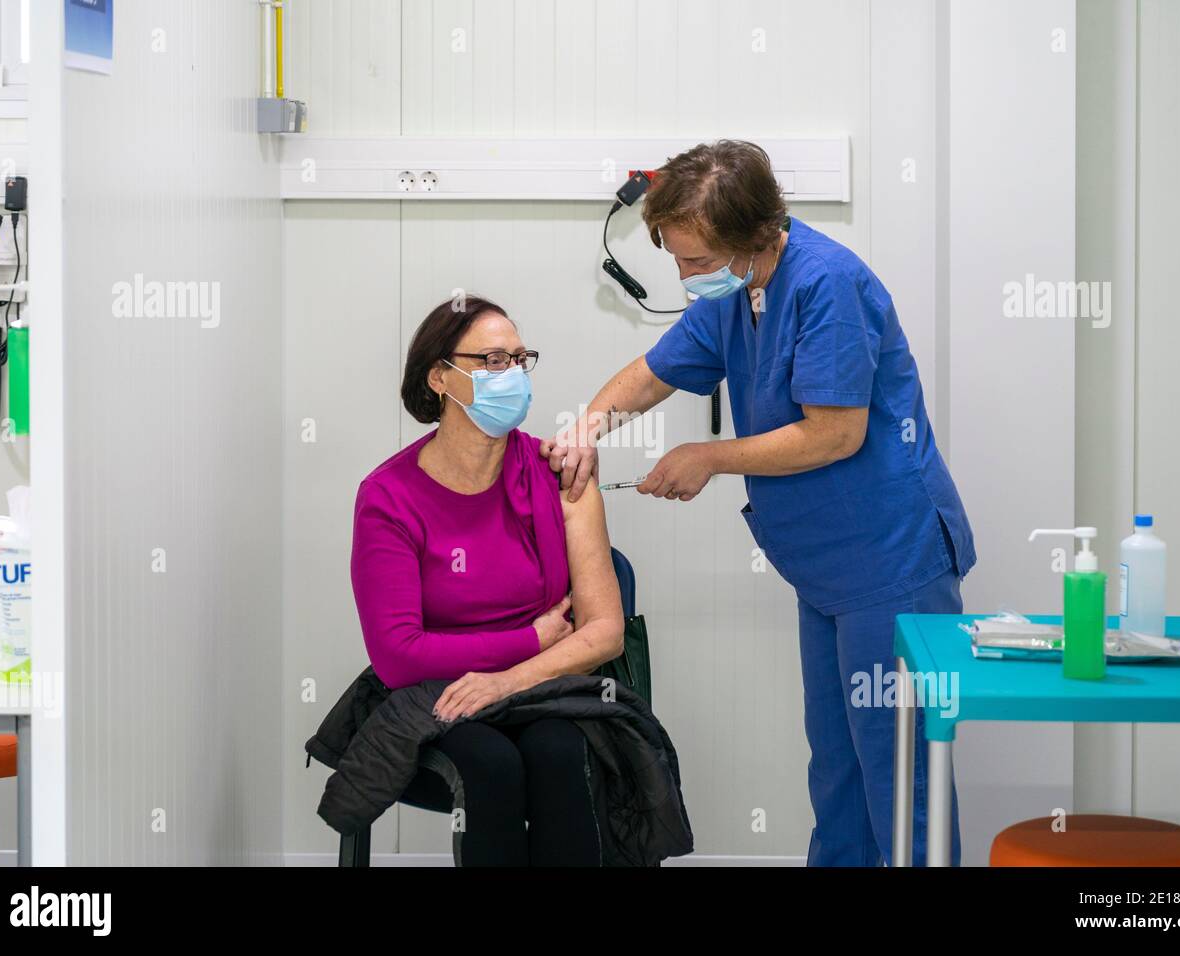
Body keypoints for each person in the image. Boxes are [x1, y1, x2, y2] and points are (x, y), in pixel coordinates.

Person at [542, 140, 977, 866]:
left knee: (903, 778)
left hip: (891, 563)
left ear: (756, 237)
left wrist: (708, 457)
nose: (684, 278)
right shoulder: (737, 287)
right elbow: (656, 372)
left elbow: (836, 434)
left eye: (696, 262)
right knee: (837, 769)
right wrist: (588, 425)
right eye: (675, 260)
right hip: (825, 570)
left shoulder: (827, 284)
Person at [350, 295, 625, 866]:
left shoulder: (560, 475)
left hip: (548, 686)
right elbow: (399, 658)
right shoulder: (389, 497)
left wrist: (507, 678)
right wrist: (530, 638)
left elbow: (604, 634)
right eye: (494, 361)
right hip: (438, 692)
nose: (514, 376)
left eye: (521, 360)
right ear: (440, 377)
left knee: (560, 751)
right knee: (491, 764)